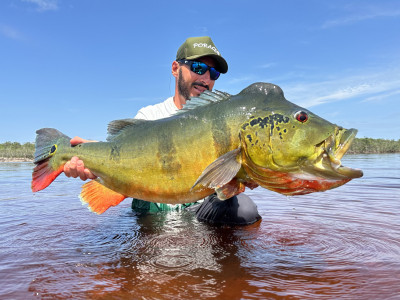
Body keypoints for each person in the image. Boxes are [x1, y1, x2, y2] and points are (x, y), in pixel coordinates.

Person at [64, 36, 261, 225]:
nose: (206, 78)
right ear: (176, 68)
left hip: (200, 216)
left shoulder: (223, 123)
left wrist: (248, 175)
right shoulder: (149, 116)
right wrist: (89, 161)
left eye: (214, 73)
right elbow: (120, 154)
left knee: (244, 210)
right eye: (198, 68)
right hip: (151, 217)